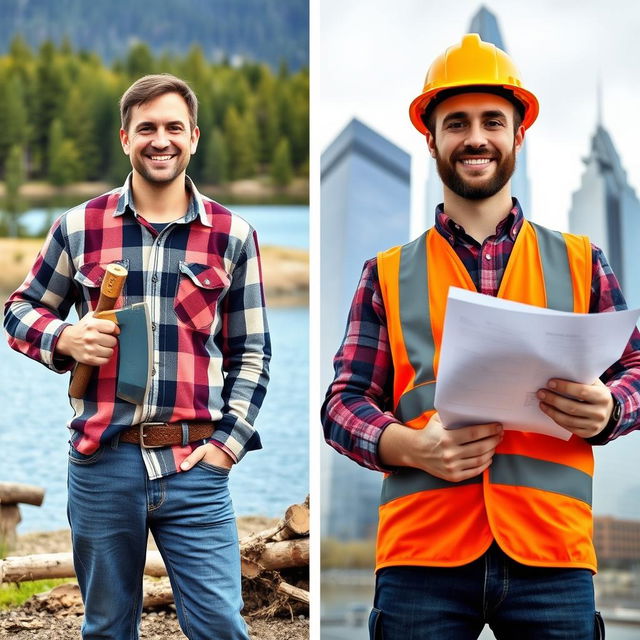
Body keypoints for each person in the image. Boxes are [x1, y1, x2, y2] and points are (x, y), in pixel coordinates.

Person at [322, 34, 640, 639]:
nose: (475, 137)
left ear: (518, 134)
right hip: (422, 556)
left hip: (554, 554)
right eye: (456, 122)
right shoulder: (385, 272)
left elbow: (638, 370)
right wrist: (407, 446)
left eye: (493, 120)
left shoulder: (582, 261)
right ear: (431, 138)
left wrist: (611, 409)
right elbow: (341, 405)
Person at [4, 74, 270, 640]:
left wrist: (228, 445)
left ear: (194, 137)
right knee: (106, 628)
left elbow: (251, 354)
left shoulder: (233, 235)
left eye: (174, 127)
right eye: (146, 127)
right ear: (125, 137)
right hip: (103, 462)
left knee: (222, 626)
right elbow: (18, 311)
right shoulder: (78, 227)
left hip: (195, 463)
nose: (161, 139)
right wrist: (64, 338)